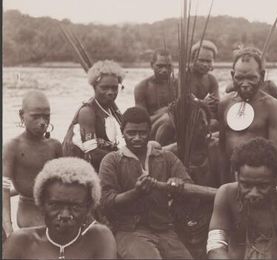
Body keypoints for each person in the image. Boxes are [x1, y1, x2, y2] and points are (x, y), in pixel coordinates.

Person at [99, 106, 193, 259]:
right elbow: (105, 201)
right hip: (128, 231)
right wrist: (135, 193)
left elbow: (189, 186)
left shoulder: (166, 157)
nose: (137, 138)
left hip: (164, 229)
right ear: (122, 132)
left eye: (142, 133)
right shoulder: (112, 161)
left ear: (150, 132)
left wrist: (178, 183)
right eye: (131, 133)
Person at [207, 138, 277, 259]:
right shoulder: (226, 194)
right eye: (246, 185)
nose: (254, 193)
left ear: (276, 180)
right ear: (236, 176)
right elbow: (215, 247)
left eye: (263, 186)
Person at [3, 157, 117, 259]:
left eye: (75, 206)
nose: (65, 215)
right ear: (41, 205)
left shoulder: (100, 239)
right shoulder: (20, 242)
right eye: (55, 205)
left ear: (88, 208)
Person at [164, 100, 221, 259]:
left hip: (213, 211)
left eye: (202, 122)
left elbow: (227, 191)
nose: (200, 128)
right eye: (192, 124)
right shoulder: (170, 154)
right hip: (180, 214)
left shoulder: (218, 150)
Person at [218, 47, 277, 183]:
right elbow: (222, 152)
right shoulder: (225, 103)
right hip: (231, 177)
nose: (245, 84)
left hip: (259, 181)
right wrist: (223, 185)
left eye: (251, 78)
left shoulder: (272, 106)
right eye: (239, 78)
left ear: (262, 75)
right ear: (232, 75)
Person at [2, 90, 62, 238]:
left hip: (54, 209)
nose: (42, 122)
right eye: (35, 117)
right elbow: (4, 188)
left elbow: (64, 182)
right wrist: (8, 228)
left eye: (46, 116)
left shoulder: (55, 146)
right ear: (21, 115)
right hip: (28, 210)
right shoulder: (13, 146)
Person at [62, 60, 125, 172]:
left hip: (101, 163)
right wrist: (125, 158)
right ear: (94, 87)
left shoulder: (110, 108)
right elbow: (92, 154)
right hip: (79, 168)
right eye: (104, 88)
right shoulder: (87, 112)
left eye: (114, 88)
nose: (110, 92)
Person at [134, 49, 178, 145]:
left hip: (178, 128)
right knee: (167, 119)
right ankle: (156, 152)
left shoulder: (178, 84)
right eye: (160, 66)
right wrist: (167, 111)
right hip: (152, 130)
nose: (164, 70)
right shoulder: (142, 87)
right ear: (152, 65)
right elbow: (141, 121)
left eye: (168, 66)